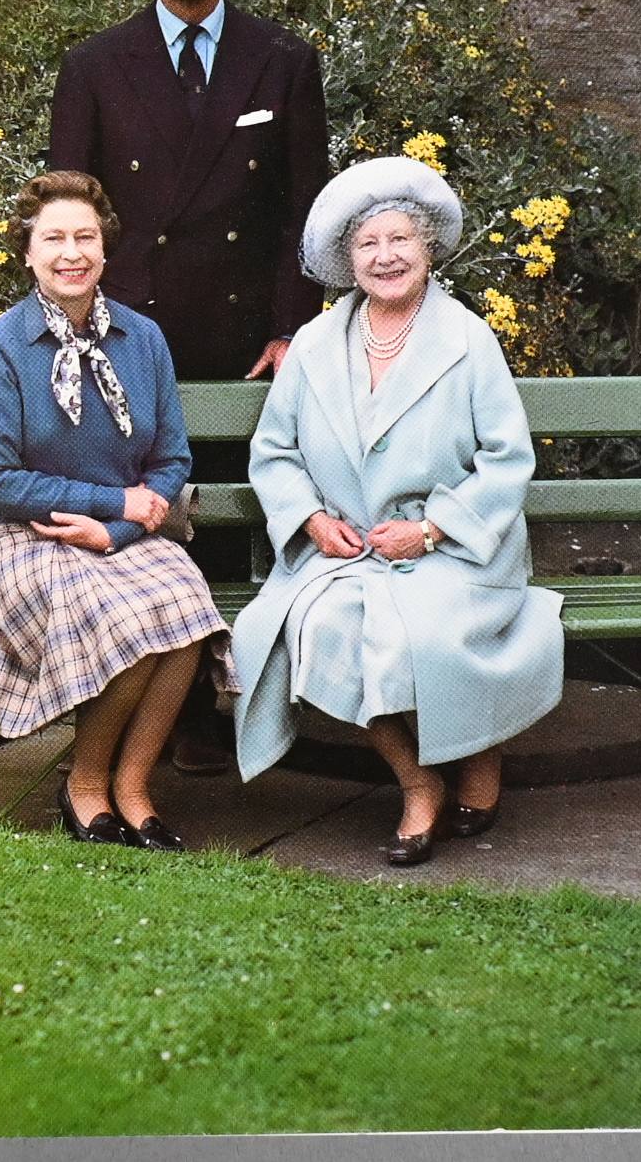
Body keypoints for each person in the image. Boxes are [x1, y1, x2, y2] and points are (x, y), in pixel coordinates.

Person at [49, 0, 330, 771]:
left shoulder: (280, 58)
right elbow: (69, 207)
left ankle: (222, 710)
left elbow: (306, 209)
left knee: (223, 519)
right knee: (136, 518)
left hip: (243, 340)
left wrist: (294, 324)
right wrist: (79, 326)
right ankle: (114, 707)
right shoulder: (94, 64)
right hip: (126, 338)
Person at [231, 156, 565, 865]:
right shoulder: (317, 342)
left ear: (428, 248)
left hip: (453, 548)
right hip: (348, 554)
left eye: (400, 240)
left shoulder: (468, 339)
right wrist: (312, 520)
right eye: (368, 244)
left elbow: (508, 459)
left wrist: (432, 527)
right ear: (348, 260)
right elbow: (275, 453)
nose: (385, 257)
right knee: (324, 627)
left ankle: (481, 753)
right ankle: (419, 783)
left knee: (430, 634)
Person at [0, 170, 238, 851]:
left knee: (185, 605)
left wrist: (120, 526)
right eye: (54, 238)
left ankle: (131, 785)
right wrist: (108, 502)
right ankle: (86, 783)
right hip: (16, 532)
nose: (70, 251)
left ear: (105, 250)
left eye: (84, 237)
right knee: (119, 613)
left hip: (122, 528)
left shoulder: (143, 338)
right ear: (28, 251)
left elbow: (170, 461)